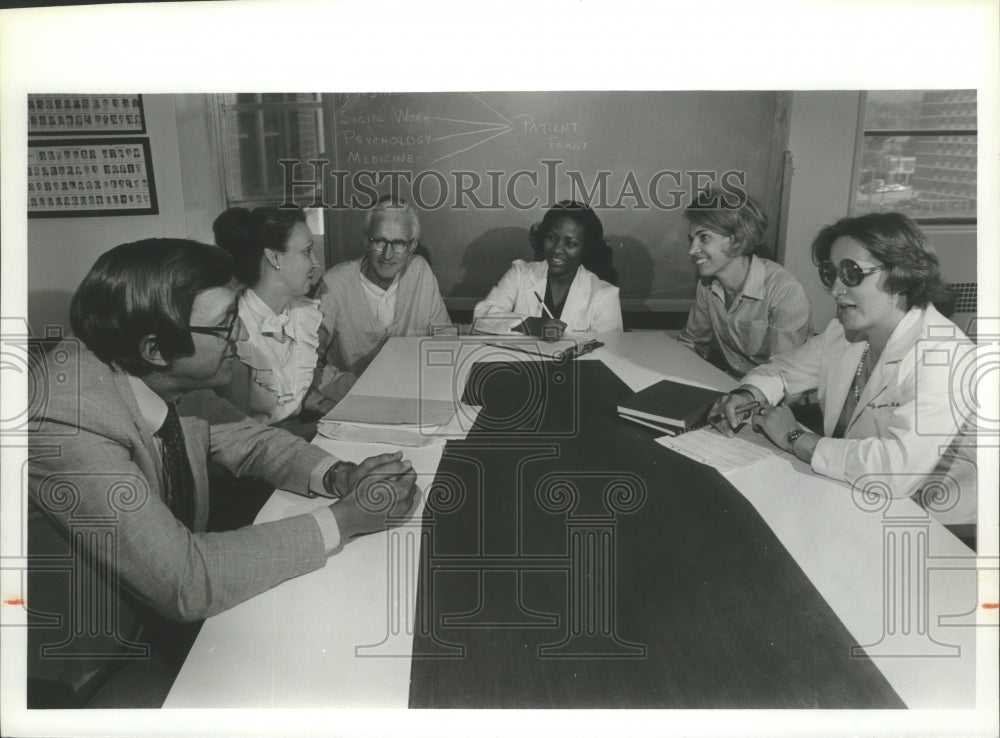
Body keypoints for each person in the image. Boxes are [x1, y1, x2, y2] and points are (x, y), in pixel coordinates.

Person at [27, 239, 419, 708]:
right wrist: (344, 519)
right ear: (155, 349)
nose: (244, 338)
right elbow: (184, 581)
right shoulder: (67, 418)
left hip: (162, 620)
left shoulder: (152, 366)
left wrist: (338, 476)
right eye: (227, 325)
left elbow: (249, 440)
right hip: (93, 667)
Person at [710, 212, 976, 525]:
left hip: (936, 525)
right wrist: (749, 392)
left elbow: (896, 471)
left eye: (851, 273)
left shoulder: (944, 354)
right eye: (830, 273)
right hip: (864, 498)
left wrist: (796, 438)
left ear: (901, 274)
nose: (835, 288)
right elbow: (783, 371)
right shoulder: (846, 332)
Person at [315, 196, 451, 401]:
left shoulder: (420, 272)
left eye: (398, 243)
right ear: (365, 240)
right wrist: (358, 388)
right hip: (351, 403)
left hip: (412, 399)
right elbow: (305, 364)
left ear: (412, 245)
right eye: (379, 241)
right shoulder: (335, 284)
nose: (387, 254)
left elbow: (445, 339)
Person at [213, 206, 331, 429]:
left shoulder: (298, 313)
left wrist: (326, 405)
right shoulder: (237, 330)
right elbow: (243, 438)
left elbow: (289, 393)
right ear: (274, 256)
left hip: (297, 432)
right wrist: (325, 428)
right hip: (261, 450)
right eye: (307, 251)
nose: (315, 263)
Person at [677, 189, 811, 377]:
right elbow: (692, 342)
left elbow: (784, 375)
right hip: (730, 386)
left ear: (737, 239)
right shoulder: (706, 285)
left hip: (771, 397)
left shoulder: (784, 290)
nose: (692, 250)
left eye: (704, 237)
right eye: (692, 240)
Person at [473, 200, 623, 338]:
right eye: (551, 238)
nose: (557, 249)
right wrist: (530, 324)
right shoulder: (520, 273)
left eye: (570, 243)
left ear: (585, 249)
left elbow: (609, 353)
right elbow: (481, 318)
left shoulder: (605, 294)